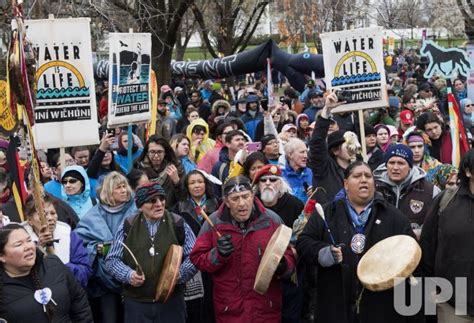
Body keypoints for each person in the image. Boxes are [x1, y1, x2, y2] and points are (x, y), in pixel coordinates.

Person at [296, 161, 420, 323]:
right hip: (336, 305)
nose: (364, 180)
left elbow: (409, 253)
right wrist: (323, 252)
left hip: (381, 308)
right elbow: (303, 243)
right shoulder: (327, 212)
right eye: (357, 176)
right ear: (346, 184)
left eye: (368, 176)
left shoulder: (393, 217)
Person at [190, 176, 296, 323]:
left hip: (266, 310)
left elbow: (289, 255)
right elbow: (197, 259)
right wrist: (217, 254)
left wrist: (283, 266)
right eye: (235, 198)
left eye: (245, 196)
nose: (242, 203)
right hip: (230, 310)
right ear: (226, 201)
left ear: (253, 195)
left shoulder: (271, 220)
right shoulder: (214, 222)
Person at [106, 182, 197, 322]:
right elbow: (112, 260)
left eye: (162, 199)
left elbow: (195, 255)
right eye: (152, 201)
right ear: (140, 206)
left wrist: (179, 274)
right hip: (137, 304)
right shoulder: (128, 225)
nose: (159, 204)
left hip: (171, 303)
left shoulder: (177, 222)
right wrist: (128, 275)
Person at [75, 171, 137, 323]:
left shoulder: (137, 211)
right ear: (108, 191)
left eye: (124, 186)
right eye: (118, 187)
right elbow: (80, 245)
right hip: (103, 283)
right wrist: (97, 248)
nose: (123, 190)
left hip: (135, 276)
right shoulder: (92, 217)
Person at [421, 148, 474, 322]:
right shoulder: (446, 201)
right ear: (468, 171)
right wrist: (430, 286)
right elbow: (428, 244)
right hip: (452, 304)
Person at [0, 223, 92, 322]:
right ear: (2, 256)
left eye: (29, 240)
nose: (27, 247)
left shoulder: (54, 265)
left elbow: (80, 305)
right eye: (18, 244)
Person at [174, 170, 219, 323]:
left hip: (214, 258)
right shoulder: (178, 209)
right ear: (187, 187)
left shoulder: (218, 205)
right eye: (192, 183)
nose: (197, 186)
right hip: (191, 261)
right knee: (194, 305)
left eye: (200, 182)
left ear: (206, 184)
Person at [21, 194, 91, 288]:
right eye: (44, 214)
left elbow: (85, 271)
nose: (50, 218)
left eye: (53, 213)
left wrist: (61, 267)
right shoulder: (20, 241)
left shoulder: (68, 235)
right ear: (30, 220)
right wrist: (39, 249)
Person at [374, 144, 440, 236]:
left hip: (415, 247)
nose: (395, 168)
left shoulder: (430, 191)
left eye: (401, 163)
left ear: (410, 166)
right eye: (391, 163)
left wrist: (418, 234)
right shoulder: (374, 188)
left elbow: (437, 225)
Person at [308, 91, 350, 204]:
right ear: (336, 150)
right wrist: (327, 110)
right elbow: (317, 143)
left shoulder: (358, 167)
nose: (352, 147)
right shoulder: (324, 168)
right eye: (347, 144)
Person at [135, 135, 184, 208]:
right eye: (152, 152)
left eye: (159, 152)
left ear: (165, 152)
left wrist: (176, 181)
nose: (156, 156)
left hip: (170, 213)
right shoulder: (138, 168)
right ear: (147, 152)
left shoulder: (176, 167)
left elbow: (183, 198)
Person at [253, 164, 304, 229]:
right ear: (258, 185)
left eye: (273, 180)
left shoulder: (295, 205)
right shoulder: (252, 204)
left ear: (280, 184)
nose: (267, 183)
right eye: (263, 180)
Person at [282, 138, 313, 204]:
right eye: (302, 152)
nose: (306, 156)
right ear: (290, 155)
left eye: (306, 152)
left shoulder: (311, 173)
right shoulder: (280, 175)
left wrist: (315, 193)